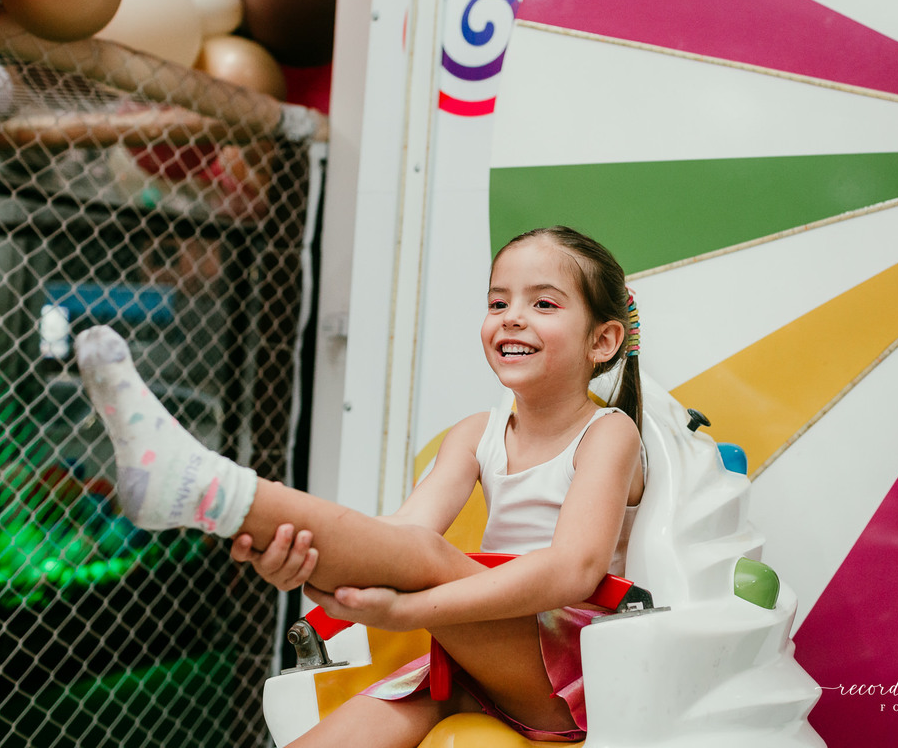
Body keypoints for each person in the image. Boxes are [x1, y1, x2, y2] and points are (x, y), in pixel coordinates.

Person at [74, 225, 646, 747]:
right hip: (479, 662)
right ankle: (201, 494)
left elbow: (571, 571)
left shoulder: (608, 433)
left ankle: (211, 489)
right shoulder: (477, 433)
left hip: (570, 674)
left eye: (542, 303)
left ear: (603, 341)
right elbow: (395, 537)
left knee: (425, 557)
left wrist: (415, 610)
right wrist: (315, 560)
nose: (511, 317)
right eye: (499, 302)